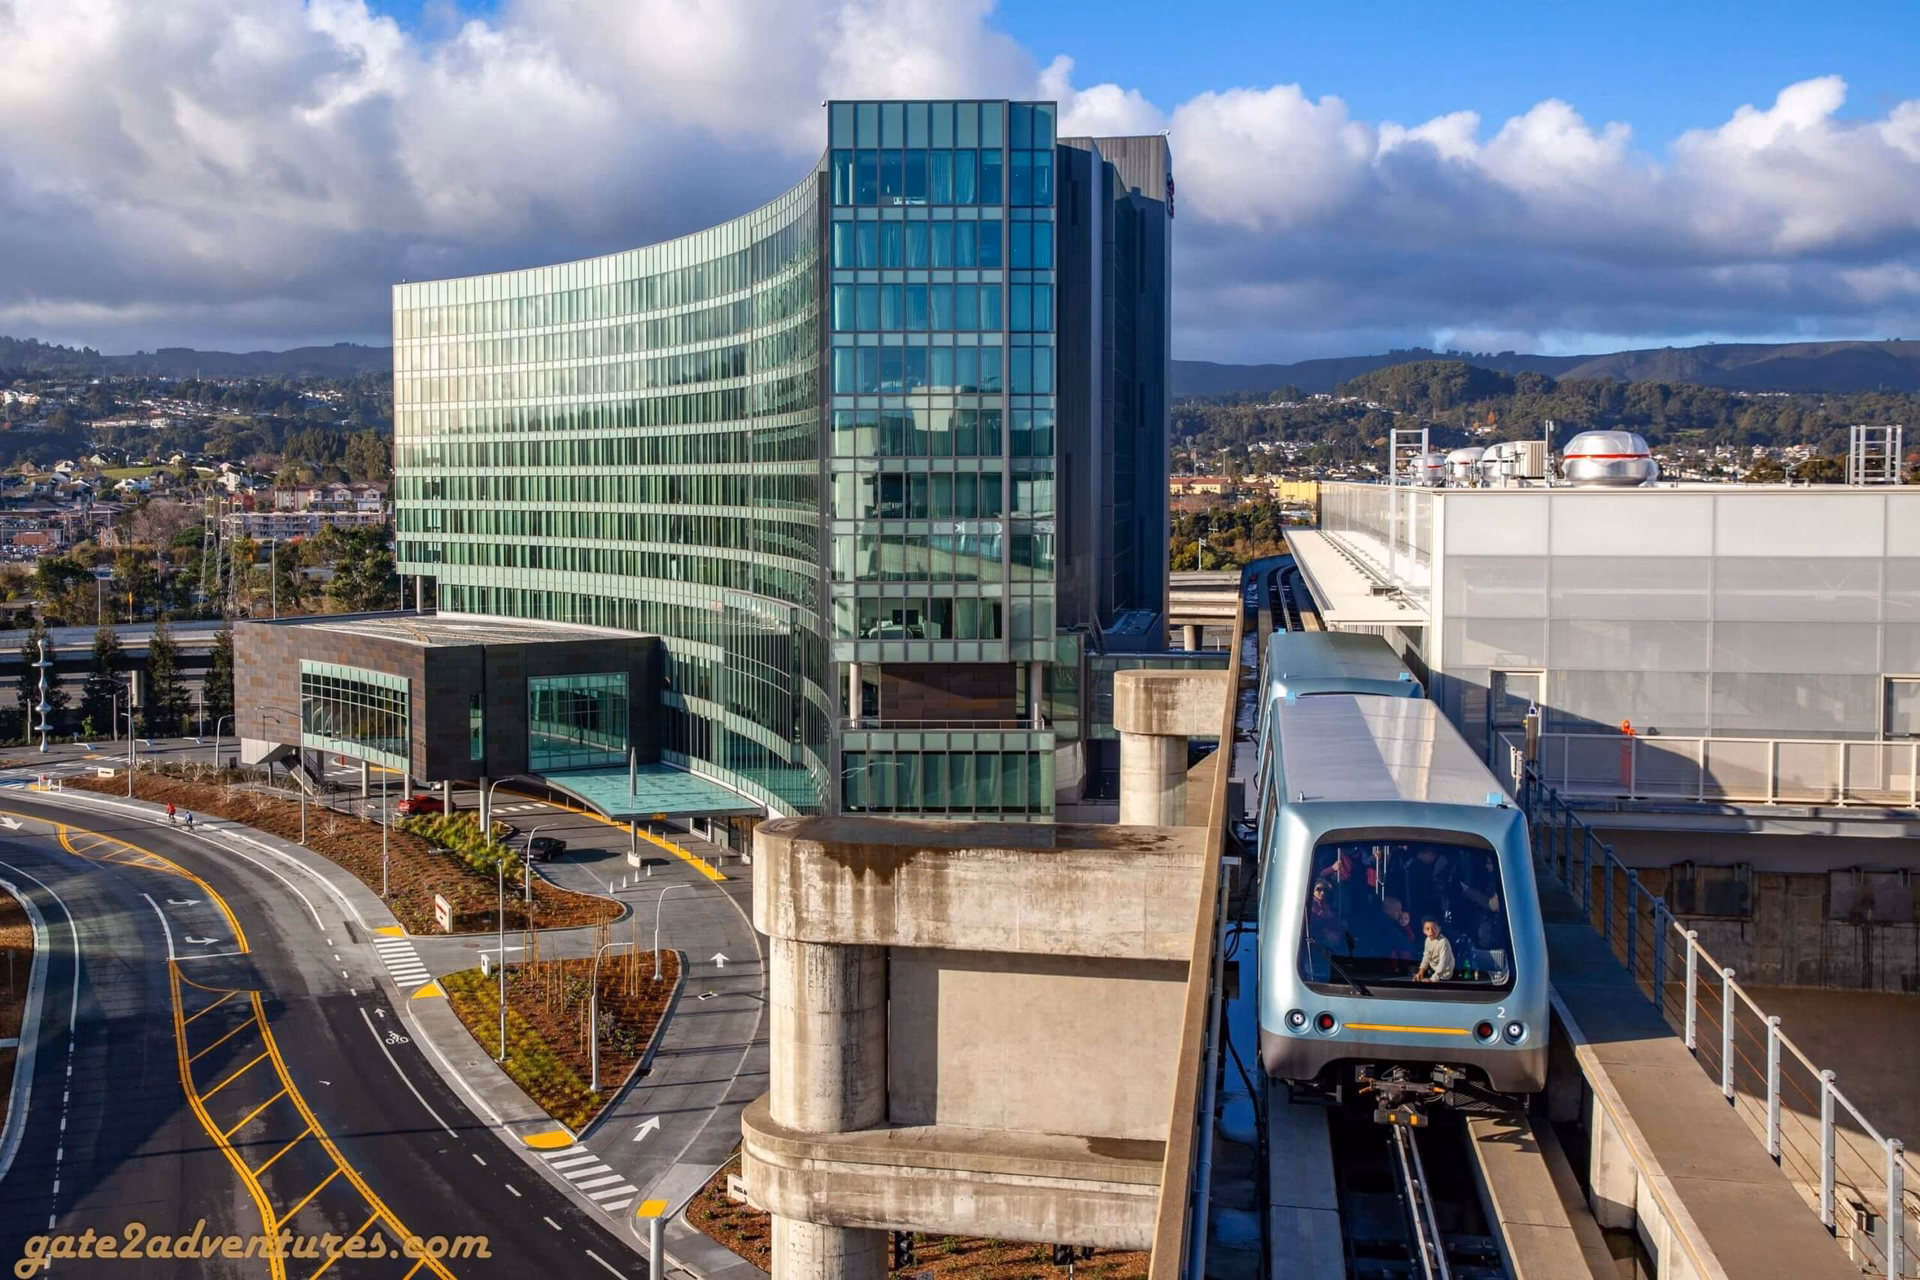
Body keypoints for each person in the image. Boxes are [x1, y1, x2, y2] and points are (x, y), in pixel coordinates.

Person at [1414, 917, 1454, 982]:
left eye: (1434, 928)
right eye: (1427, 929)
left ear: (1439, 929)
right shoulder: (1427, 940)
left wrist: (1432, 979)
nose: (1431, 931)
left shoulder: (1443, 942)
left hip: (1445, 975)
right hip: (1434, 971)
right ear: (1424, 931)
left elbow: (1443, 963)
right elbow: (1426, 956)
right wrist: (1421, 971)